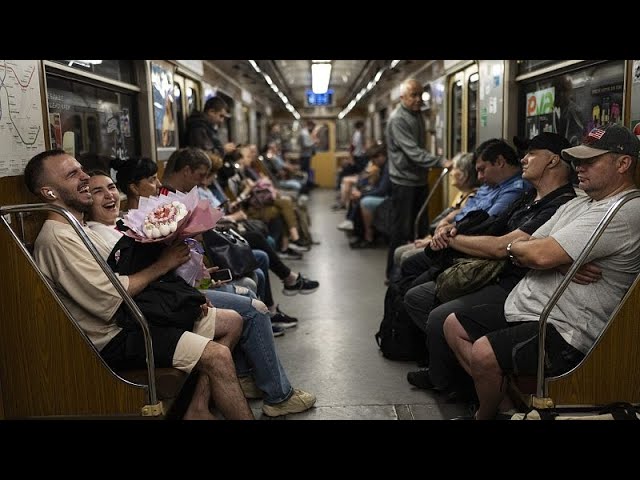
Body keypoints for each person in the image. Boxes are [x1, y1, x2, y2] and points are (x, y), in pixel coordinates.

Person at [23, 149, 254, 420]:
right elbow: (113, 296)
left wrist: (186, 297)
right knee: (218, 357)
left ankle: (198, 407)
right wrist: (164, 264)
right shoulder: (57, 239)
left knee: (233, 322)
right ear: (50, 193)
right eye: (73, 174)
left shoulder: (79, 228)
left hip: (130, 319)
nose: (85, 177)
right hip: (114, 337)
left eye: (82, 169)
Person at [443, 124, 640, 419]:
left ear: (623, 164)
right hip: (529, 308)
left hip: (567, 327)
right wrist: (549, 257)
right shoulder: (580, 202)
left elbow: (537, 252)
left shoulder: (623, 210)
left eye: (590, 161)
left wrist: (539, 254)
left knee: (484, 352)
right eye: (578, 160)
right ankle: (508, 410)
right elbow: (527, 246)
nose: (578, 167)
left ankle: (484, 415)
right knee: (452, 325)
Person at [85, 171, 317, 417]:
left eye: (110, 187)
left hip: (176, 292)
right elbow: (139, 280)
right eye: (97, 191)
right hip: (157, 305)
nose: (108, 194)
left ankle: (243, 377)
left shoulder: (126, 223)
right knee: (254, 310)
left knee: (248, 285)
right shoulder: (101, 237)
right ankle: (279, 396)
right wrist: (192, 290)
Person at [405, 133, 576, 398]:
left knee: (439, 314)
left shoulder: (561, 204)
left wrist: (455, 241)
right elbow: (493, 228)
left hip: (515, 279)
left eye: (532, 154)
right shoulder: (529, 197)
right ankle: (450, 372)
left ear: (553, 161)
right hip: (492, 269)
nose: (523, 159)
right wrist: (453, 231)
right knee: (418, 295)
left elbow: (502, 246)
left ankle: (467, 385)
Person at [385, 78, 448, 279]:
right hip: (403, 181)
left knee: (421, 227)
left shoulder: (418, 115)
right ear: (402, 97)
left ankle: (414, 270)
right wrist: (440, 162)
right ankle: (393, 273)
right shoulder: (398, 119)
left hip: (419, 179)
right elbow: (413, 152)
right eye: (414, 95)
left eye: (421, 94)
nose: (419, 99)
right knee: (401, 229)